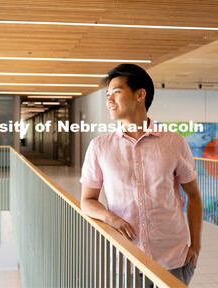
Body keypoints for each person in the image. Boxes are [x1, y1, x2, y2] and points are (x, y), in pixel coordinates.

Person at [80, 64, 203, 286]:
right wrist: (112, 218)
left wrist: (196, 245)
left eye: (116, 92)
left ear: (140, 94)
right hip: (125, 260)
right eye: (108, 94)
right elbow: (87, 201)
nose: (109, 100)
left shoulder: (174, 142)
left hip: (174, 259)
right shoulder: (99, 147)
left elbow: (194, 196)